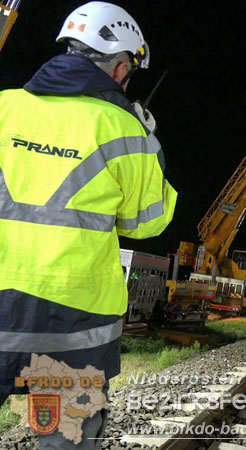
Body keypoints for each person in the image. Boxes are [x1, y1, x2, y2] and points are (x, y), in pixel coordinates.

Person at [0, 2, 177, 447]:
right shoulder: (126, 132)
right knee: (65, 437)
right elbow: (147, 223)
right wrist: (149, 142)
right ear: (120, 69)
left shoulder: (3, 107)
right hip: (71, 329)